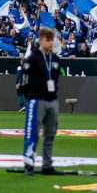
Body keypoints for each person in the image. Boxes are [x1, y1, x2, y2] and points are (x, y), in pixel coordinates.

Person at [19, 26, 61, 175]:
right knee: (33, 133)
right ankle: (28, 164)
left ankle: (47, 165)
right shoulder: (33, 58)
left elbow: (56, 79)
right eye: (47, 40)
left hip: (52, 100)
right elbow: (24, 79)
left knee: (50, 134)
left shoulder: (55, 59)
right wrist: (29, 95)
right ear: (41, 40)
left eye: (52, 40)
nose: (50, 43)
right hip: (36, 99)